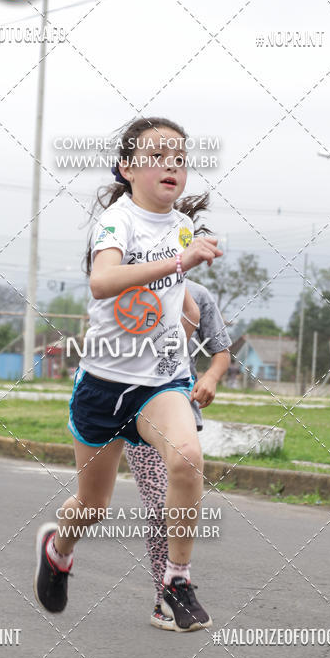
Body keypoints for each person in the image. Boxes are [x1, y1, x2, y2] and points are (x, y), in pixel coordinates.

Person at [34, 115, 223, 631]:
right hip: (103, 385)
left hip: (159, 385)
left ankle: (176, 581)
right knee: (92, 506)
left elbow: (177, 302)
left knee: (187, 457)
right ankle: (58, 548)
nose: (172, 167)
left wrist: (185, 333)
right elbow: (102, 281)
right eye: (159, 156)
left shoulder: (182, 227)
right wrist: (178, 261)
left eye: (181, 159)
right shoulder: (118, 221)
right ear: (127, 167)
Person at [124, 277, 231, 630]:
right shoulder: (131, 287)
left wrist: (211, 378)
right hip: (137, 413)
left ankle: (174, 588)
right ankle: (165, 598)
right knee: (158, 507)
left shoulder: (199, 293)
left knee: (175, 506)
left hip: (181, 414)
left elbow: (221, 351)